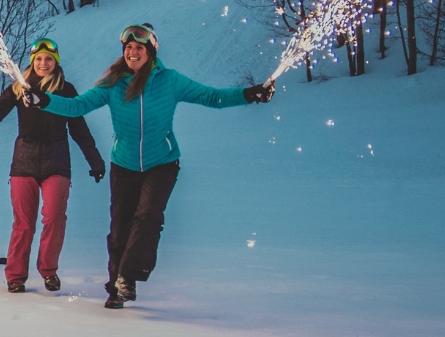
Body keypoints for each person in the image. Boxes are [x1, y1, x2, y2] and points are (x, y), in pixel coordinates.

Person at [22, 23, 274, 309]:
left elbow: (211, 96)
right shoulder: (113, 82)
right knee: (120, 228)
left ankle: (128, 278)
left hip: (161, 162)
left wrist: (249, 94)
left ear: (151, 52)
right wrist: (44, 100)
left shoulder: (169, 80)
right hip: (124, 163)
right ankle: (116, 288)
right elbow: (78, 106)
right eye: (128, 48)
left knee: (148, 216)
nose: (132, 52)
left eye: (138, 48)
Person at [0, 37, 105, 294]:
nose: (43, 63)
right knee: (23, 223)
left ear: (56, 62)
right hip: (24, 162)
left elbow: (79, 128)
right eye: (39, 59)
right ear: (33, 61)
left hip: (57, 163)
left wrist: (95, 161)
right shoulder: (19, 87)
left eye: (48, 59)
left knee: (54, 218)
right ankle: (15, 276)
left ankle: (49, 271)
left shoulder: (66, 89)